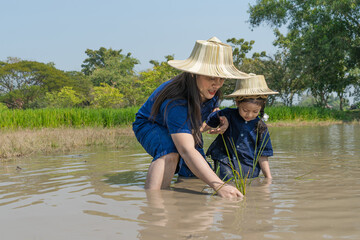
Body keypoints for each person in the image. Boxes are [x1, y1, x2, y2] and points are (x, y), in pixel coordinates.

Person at [132, 37, 250, 198]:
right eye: (211, 78)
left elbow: (212, 109)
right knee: (170, 151)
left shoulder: (211, 91)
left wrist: (221, 117)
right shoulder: (177, 101)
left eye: (221, 78)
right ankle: (155, 204)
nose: (217, 84)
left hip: (187, 125)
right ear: (194, 74)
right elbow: (186, 150)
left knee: (194, 173)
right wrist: (219, 186)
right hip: (151, 124)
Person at [205, 75, 278, 181]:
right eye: (245, 110)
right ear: (237, 102)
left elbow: (263, 155)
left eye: (255, 112)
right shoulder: (228, 114)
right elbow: (211, 119)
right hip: (225, 160)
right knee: (227, 182)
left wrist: (268, 177)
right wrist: (221, 118)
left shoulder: (261, 127)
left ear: (261, 108)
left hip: (248, 168)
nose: (249, 115)